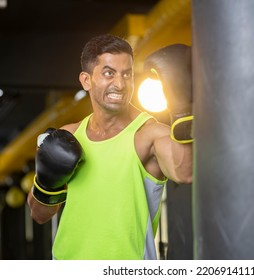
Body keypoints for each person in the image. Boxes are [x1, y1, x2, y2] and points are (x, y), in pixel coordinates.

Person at [27, 34, 193, 260]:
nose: (120, 83)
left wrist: (182, 107)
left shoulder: (148, 134)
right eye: (109, 73)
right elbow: (39, 214)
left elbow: (185, 172)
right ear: (86, 80)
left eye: (127, 74)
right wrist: (47, 180)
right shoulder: (70, 135)